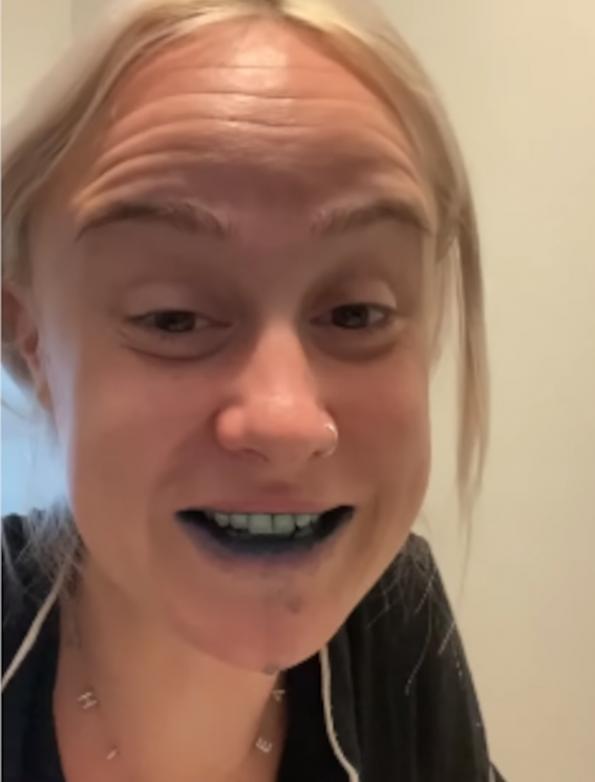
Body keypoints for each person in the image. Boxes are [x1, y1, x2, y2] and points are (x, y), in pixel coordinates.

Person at [1, 0, 503, 780]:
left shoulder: (393, 622)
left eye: (356, 313)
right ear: (30, 340)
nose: (286, 421)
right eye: (172, 318)